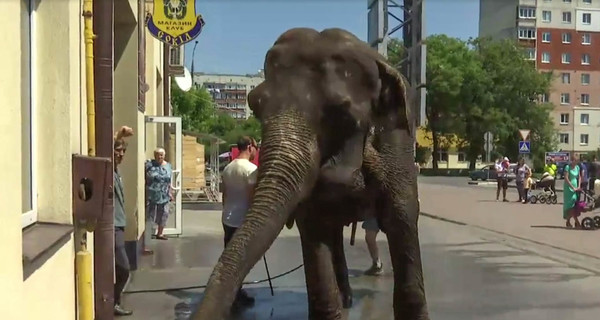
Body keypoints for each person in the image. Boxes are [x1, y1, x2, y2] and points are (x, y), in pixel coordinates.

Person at [221, 136, 259, 306]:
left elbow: (224, 195)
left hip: (228, 217)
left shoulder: (228, 168)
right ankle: (234, 294)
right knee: (240, 259)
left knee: (229, 256)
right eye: (256, 147)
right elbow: (252, 197)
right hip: (242, 219)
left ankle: (231, 291)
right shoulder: (251, 169)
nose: (256, 151)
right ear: (250, 147)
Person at [113, 126, 134, 316]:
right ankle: (112, 301)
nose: (120, 154)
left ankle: (113, 301)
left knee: (119, 268)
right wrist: (118, 134)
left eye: (123, 151)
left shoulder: (117, 172)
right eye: (117, 150)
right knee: (124, 268)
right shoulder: (108, 169)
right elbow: (103, 147)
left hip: (119, 225)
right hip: (111, 228)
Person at [144, 147, 173, 247]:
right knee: (151, 215)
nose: (159, 156)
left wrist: (170, 192)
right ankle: (148, 234)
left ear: (164, 156)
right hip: (152, 193)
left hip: (164, 193)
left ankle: (160, 233)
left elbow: (169, 181)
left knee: (164, 213)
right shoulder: (149, 165)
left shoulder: (168, 166)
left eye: (161, 154)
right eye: (157, 154)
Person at [563, 155, 582, 229]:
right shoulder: (568, 167)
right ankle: (577, 222)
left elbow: (579, 177)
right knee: (570, 206)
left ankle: (568, 221)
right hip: (568, 188)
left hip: (575, 187)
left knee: (574, 205)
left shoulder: (577, 167)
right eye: (574, 160)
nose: (575, 162)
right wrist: (572, 187)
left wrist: (579, 185)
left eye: (576, 161)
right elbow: (566, 178)